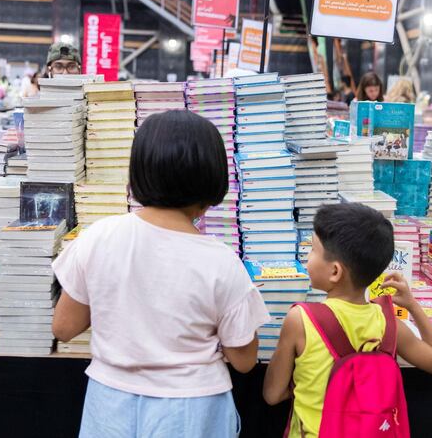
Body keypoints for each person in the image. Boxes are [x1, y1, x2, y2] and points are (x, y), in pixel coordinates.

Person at [52, 110, 270, 438]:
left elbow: (64, 327)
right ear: (211, 180)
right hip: (192, 408)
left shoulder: (99, 236)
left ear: (139, 171)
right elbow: (244, 360)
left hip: (110, 402)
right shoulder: (221, 262)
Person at [263, 203, 432, 437]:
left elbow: (272, 394)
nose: (307, 258)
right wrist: (412, 306)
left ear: (335, 271)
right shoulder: (388, 324)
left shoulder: (300, 319)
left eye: (312, 250)